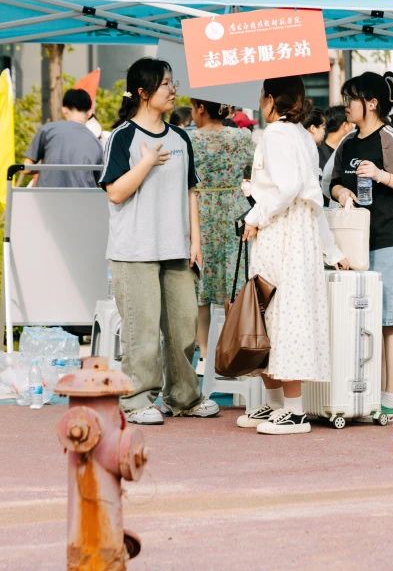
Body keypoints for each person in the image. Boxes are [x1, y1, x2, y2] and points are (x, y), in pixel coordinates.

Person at [99, 59, 218, 425]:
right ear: (143, 92)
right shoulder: (123, 137)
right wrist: (147, 162)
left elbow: (191, 191)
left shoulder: (181, 137)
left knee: (183, 328)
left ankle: (184, 397)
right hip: (135, 251)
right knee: (143, 331)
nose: (173, 89)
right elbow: (115, 192)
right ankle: (135, 400)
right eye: (166, 84)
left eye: (172, 82)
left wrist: (195, 241)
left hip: (176, 249)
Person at [233, 77, 345, 434]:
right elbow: (309, 195)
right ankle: (277, 405)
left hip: (281, 233)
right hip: (299, 232)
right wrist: (331, 249)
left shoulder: (276, 135)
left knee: (276, 313)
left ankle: (292, 410)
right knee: (277, 314)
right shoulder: (302, 136)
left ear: (270, 98)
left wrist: (255, 215)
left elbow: (288, 188)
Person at [329, 72, 393, 423]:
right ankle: (365, 395)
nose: (345, 105)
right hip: (354, 244)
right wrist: (343, 192)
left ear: (371, 103)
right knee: (360, 320)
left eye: (350, 98)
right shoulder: (347, 142)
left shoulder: (390, 138)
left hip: (388, 241)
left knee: (390, 321)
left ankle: (390, 399)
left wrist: (382, 176)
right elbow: (331, 183)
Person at [188, 99, 254, 356]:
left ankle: (205, 352)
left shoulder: (189, 139)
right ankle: (231, 349)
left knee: (200, 283)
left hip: (200, 210)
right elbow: (252, 170)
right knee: (234, 279)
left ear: (201, 108)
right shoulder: (242, 137)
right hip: (233, 210)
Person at [25, 88, 103, 188]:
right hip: (82, 197)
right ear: (89, 113)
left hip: (47, 196)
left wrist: (48, 168)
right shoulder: (96, 143)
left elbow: (26, 168)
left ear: (64, 110)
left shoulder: (47, 130)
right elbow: (100, 182)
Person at [318, 105, 354, 202]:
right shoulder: (317, 153)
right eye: (351, 124)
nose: (353, 127)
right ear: (345, 125)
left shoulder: (348, 150)